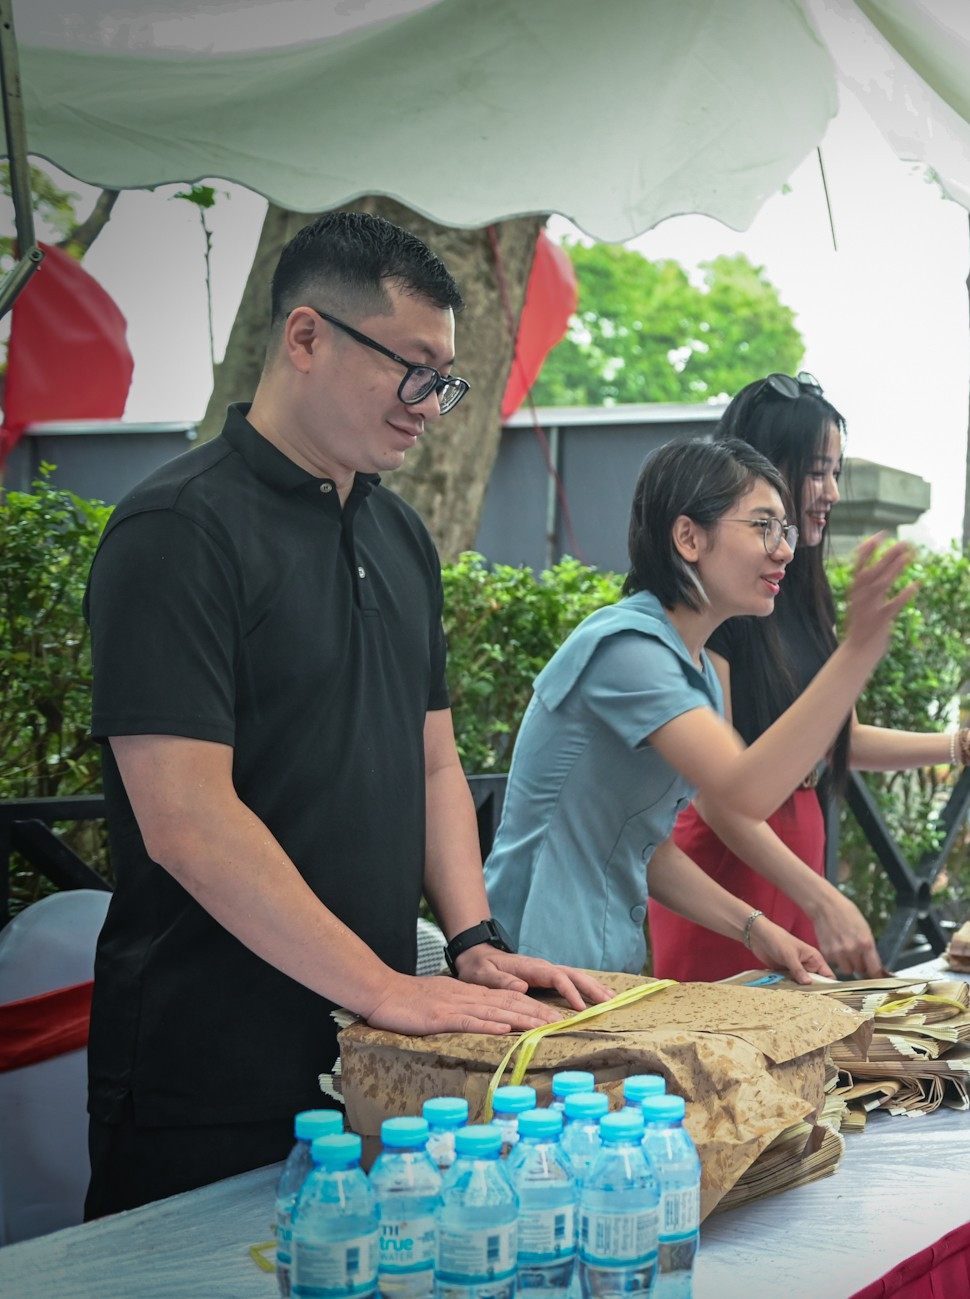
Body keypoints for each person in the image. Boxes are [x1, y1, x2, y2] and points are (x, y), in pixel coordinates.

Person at [82, 212, 613, 1217]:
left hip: (379, 1066)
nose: (431, 406)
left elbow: (432, 762)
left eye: (446, 379)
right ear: (306, 337)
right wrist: (384, 987)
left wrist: (471, 939)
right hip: (208, 1071)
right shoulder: (176, 530)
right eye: (413, 369)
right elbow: (187, 821)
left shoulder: (399, 534)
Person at [651, 374, 970, 980]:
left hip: (795, 850)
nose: (831, 492)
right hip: (729, 867)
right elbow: (722, 796)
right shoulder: (713, 603)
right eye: (816, 472)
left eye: (836, 472)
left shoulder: (799, 589)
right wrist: (820, 897)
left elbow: (842, 737)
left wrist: (969, 745)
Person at [483, 436, 918, 980]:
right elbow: (743, 792)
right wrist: (856, 652)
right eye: (763, 526)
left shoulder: (696, 669)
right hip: (529, 967)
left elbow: (644, 846)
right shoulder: (627, 649)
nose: (785, 550)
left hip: (597, 972)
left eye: (784, 530)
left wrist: (756, 929)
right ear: (689, 537)